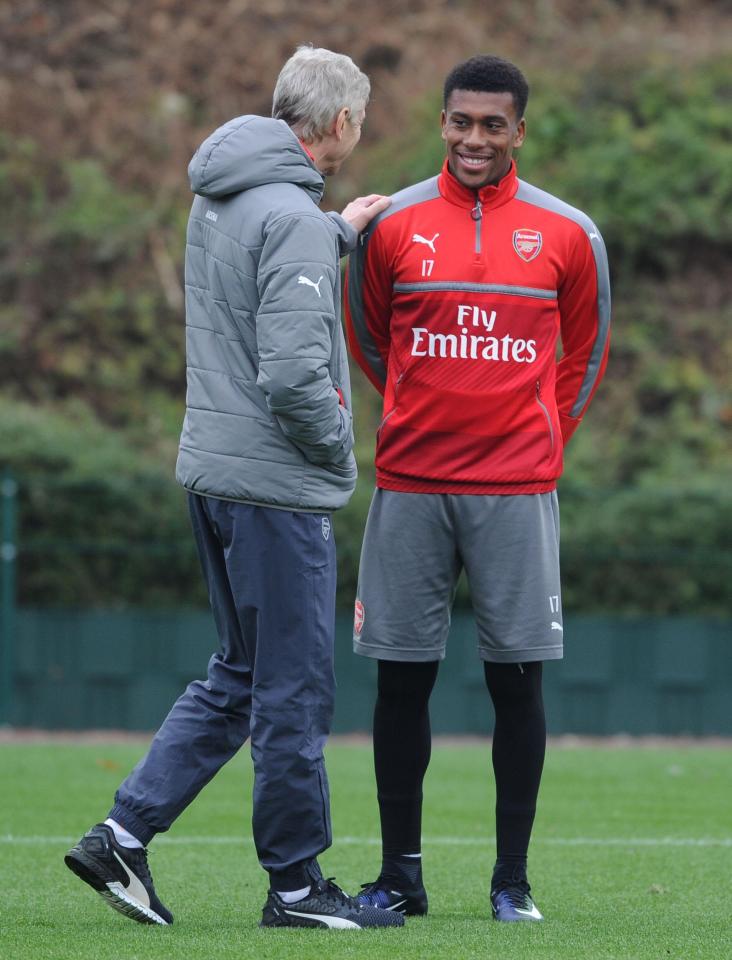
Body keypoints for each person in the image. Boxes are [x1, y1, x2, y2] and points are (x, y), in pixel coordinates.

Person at [64, 45, 402, 931]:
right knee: (293, 692)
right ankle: (295, 888)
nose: (356, 138)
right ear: (336, 124)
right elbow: (294, 375)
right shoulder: (289, 214)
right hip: (275, 489)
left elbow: (252, 281)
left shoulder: (224, 193)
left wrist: (338, 228)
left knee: (240, 677)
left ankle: (120, 837)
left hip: (213, 473)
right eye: (357, 123)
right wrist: (338, 448)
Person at [345, 54, 611, 923]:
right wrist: (422, 414)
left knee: (518, 686)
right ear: (443, 122)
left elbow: (584, 354)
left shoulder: (569, 233)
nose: (473, 138)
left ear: (520, 131)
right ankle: (400, 879)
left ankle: (512, 883)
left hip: (516, 488)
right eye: (461, 121)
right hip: (412, 486)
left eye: (493, 124)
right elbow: (370, 338)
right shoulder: (393, 225)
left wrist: (537, 435)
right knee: (399, 686)